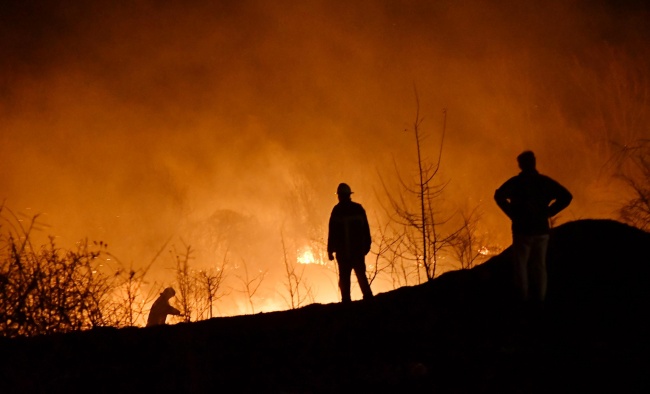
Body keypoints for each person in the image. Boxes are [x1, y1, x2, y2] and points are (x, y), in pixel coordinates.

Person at [494, 151, 572, 305]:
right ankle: (540, 300)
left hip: (522, 230)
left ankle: (522, 299)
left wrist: (512, 213)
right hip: (541, 230)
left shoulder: (516, 183)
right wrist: (549, 212)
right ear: (534, 163)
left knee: (521, 265)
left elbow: (498, 195)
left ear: (521, 164)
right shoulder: (544, 182)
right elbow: (566, 196)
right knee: (539, 266)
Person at [327, 182, 373, 303]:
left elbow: (332, 233)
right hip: (357, 251)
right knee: (361, 276)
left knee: (344, 279)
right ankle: (369, 300)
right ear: (349, 195)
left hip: (343, 254)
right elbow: (366, 230)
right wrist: (367, 245)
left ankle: (346, 303)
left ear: (340, 196)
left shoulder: (337, 211)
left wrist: (330, 250)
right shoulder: (358, 209)